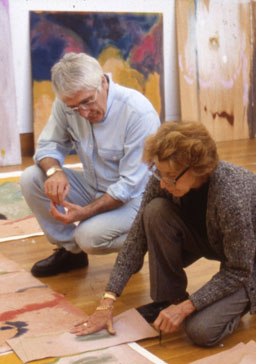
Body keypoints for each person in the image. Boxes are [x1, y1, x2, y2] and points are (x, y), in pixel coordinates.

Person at [71, 121, 256, 347]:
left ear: (197, 167)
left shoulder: (231, 195)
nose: (163, 184)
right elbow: (136, 238)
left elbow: (239, 269)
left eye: (171, 176)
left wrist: (188, 307)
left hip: (253, 265)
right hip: (214, 241)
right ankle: (169, 299)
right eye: (159, 173)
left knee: (200, 331)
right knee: (154, 212)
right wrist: (108, 299)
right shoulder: (164, 178)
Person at [20, 52, 160, 277]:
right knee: (31, 178)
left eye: (87, 102)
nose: (83, 113)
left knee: (88, 236)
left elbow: (128, 187)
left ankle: (135, 247)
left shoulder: (138, 113)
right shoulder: (67, 102)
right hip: (96, 185)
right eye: (75, 107)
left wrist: (83, 213)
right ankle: (71, 253)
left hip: (137, 199)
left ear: (103, 83)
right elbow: (48, 145)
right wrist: (54, 171)